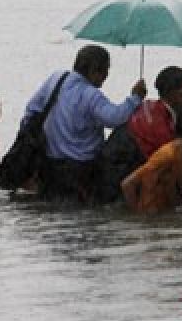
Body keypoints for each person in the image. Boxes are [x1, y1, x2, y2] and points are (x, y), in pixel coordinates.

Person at [21, 45, 147, 203]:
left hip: (49, 163)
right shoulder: (91, 95)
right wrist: (135, 98)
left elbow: (31, 110)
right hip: (81, 168)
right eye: (106, 70)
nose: (106, 76)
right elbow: (114, 118)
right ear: (95, 70)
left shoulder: (56, 78)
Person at [95, 66, 182, 203]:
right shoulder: (160, 126)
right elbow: (170, 166)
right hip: (116, 177)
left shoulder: (153, 107)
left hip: (112, 166)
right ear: (172, 93)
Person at [121, 104, 182, 214]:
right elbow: (127, 185)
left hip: (168, 214)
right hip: (151, 217)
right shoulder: (166, 155)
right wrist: (137, 218)